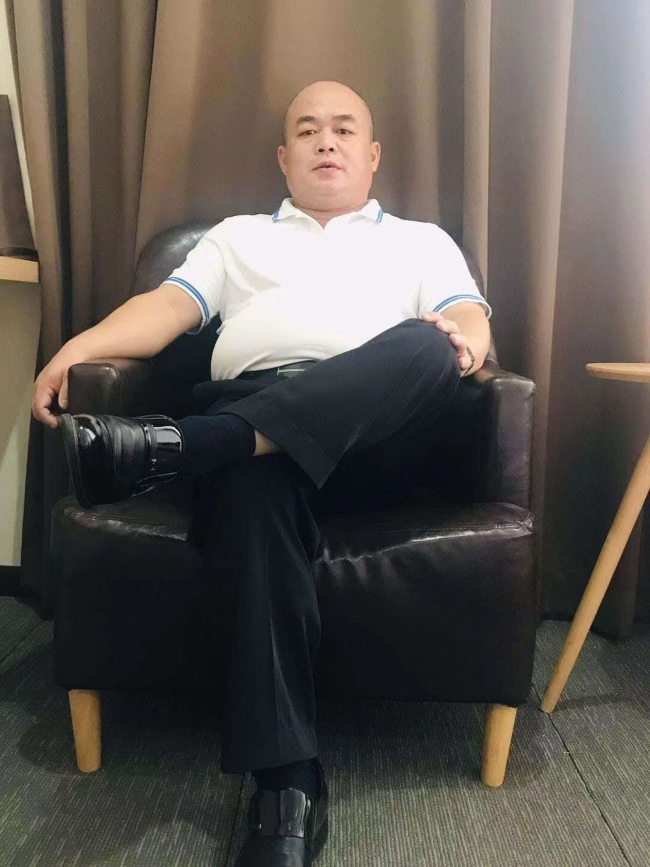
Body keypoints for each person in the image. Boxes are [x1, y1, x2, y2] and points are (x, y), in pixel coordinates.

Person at [33, 80, 491, 867]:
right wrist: (76, 346)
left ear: (372, 155)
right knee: (254, 483)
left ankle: (181, 446)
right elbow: (166, 309)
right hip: (255, 414)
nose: (326, 141)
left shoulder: (423, 241)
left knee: (427, 343)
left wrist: (468, 341)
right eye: (307, 130)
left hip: (374, 443)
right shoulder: (236, 239)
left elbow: (468, 320)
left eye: (343, 129)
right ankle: (287, 785)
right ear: (283, 157)